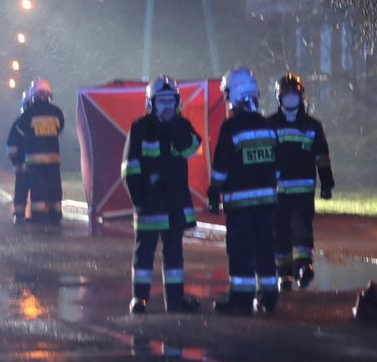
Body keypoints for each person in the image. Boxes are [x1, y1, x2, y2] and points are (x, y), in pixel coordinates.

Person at [121, 75, 202, 314]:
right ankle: (139, 299)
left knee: (174, 256)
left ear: (177, 102)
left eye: (170, 100)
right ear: (151, 103)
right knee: (143, 254)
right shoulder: (140, 128)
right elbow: (129, 169)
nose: (166, 105)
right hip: (149, 205)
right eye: (161, 101)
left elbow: (191, 148)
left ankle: (175, 300)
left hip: (174, 206)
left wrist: (174, 123)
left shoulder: (182, 126)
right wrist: (139, 201)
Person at [208, 68, 280, 314]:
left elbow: (221, 167)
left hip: (239, 205)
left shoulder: (231, 128)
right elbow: (277, 165)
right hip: (267, 204)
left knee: (240, 251)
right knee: (265, 250)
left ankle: (241, 300)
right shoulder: (267, 126)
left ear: (234, 95)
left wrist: (213, 192)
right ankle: (269, 296)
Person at [269, 72, 334, 290]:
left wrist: (327, 183)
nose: (290, 99)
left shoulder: (312, 126)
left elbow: (322, 157)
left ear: (301, 96)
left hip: (303, 191)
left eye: (294, 95)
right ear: (279, 97)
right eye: (286, 95)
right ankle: (284, 274)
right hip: (277, 192)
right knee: (279, 232)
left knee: (303, 230)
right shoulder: (270, 125)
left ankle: (303, 267)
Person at [15, 78, 64, 224]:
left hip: (34, 159)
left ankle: (39, 216)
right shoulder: (56, 112)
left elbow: (20, 130)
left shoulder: (28, 113)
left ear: (33, 96)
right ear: (49, 94)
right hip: (53, 158)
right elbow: (60, 128)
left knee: (38, 188)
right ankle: (56, 215)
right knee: (54, 187)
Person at [6, 89, 33, 225]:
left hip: (24, 164)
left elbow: (11, 146)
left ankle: (20, 214)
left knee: (22, 189)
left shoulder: (19, 123)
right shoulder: (22, 123)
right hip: (35, 166)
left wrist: (16, 162)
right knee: (39, 191)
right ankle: (37, 216)